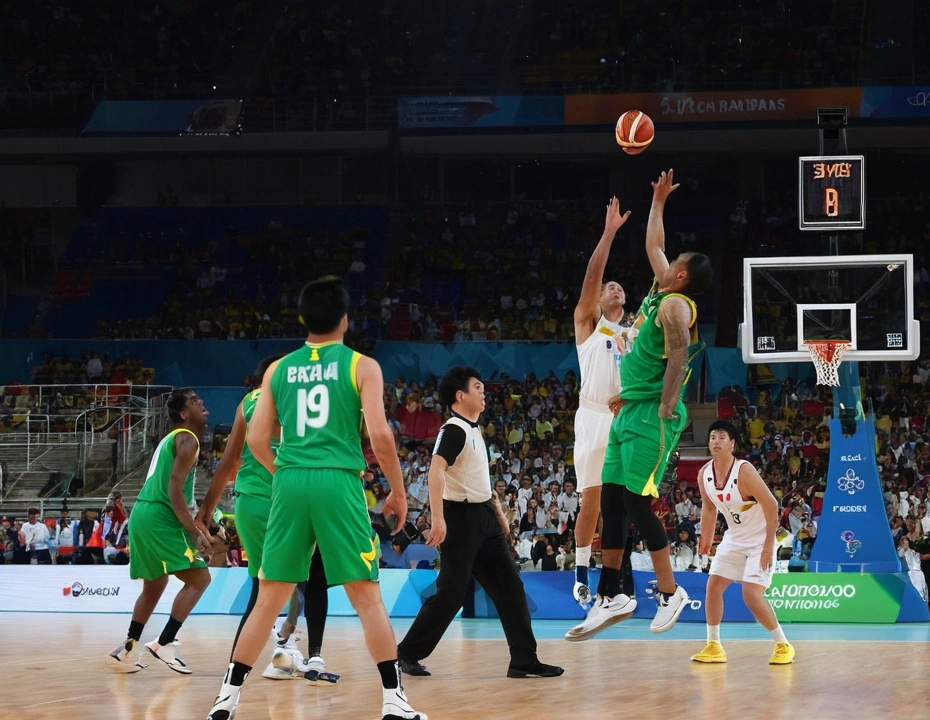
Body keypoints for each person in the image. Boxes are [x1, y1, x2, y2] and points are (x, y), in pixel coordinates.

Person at [206, 276, 422, 720]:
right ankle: (394, 702)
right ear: (345, 320)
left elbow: (260, 438)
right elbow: (380, 435)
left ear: (303, 318)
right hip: (338, 481)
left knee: (269, 597)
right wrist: (398, 492)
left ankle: (225, 701)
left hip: (289, 480)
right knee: (366, 595)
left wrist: (282, 471)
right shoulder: (362, 365)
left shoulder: (278, 369)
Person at [567, 169, 712, 641]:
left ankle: (670, 592)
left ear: (683, 273)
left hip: (653, 415)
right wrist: (658, 202)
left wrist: (668, 402)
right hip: (627, 410)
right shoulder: (660, 291)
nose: (665, 262)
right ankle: (611, 595)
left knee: (634, 502)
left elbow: (679, 355)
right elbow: (654, 244)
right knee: (610, 498)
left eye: (675, 262)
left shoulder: (675, 307)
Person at [398, 366, 563, 679]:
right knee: (451, 594)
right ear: (461, 396)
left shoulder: (474, 429)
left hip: (483, 518)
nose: (483, 391)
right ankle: (407, 652)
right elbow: (435, 472)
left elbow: (479, 481)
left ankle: (523, 661)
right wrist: (438, 520)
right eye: (477, 387)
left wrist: (498, 515)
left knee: (512, 589)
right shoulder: (454, 429)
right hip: (458, 519)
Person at [198, 353, 337, 682]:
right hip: (289, 499)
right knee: (311, 578)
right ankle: (305, 650)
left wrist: (205, 511)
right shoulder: (296, 396)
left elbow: (228, 461)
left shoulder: (247, 402)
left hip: (248, 504)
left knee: (262, 587)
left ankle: (238, 670)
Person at [105, 389, 213, 674]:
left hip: (141, 513)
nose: (201, 402)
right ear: (183, 414)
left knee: (154, 585)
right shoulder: (187, 439)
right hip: (159, 515)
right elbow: (174, 489)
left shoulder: (171, 439)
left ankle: (127, 650)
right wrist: (192, 531)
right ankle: (164, 642)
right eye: (194, 401)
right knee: (200, 579)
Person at [570, 196, 631, 607]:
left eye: (619, 287)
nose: (615, 288)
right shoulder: (588, 325)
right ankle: (579, 570)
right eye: (610, 287)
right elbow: (593, 277)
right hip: (592, 418)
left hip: (623, 421)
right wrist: (608, 234)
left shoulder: (635, 335)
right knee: (590, 500)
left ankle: (615, 580)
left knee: (621, 503)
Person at [691, 421, 793, 665]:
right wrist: (705, 538)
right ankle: (713, 645)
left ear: (732, 443)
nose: (716, 441)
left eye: (722, 437)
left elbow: (771, 505)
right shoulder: (704, 473)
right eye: (712, 436)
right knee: (714, 585)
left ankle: (783, 645)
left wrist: (769, 546)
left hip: (760, 539)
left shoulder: (744, 471)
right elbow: (708, 507)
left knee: (750, 593)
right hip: (735, 537)